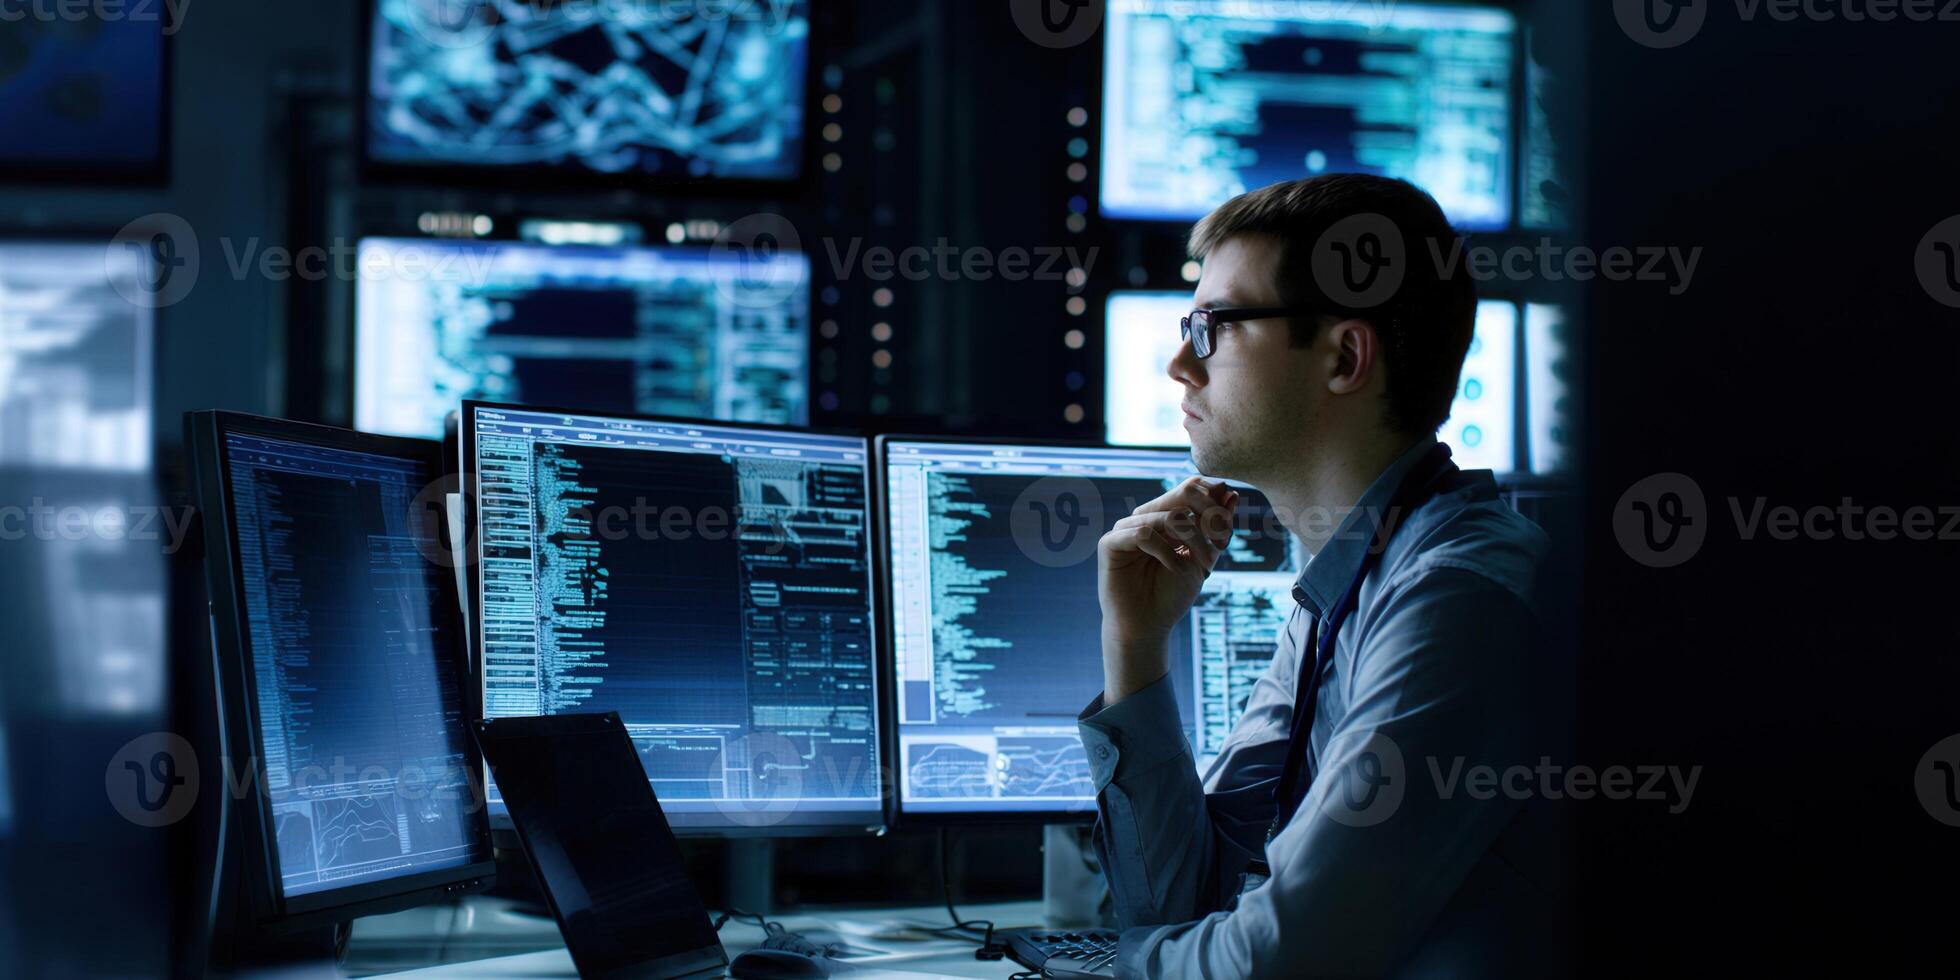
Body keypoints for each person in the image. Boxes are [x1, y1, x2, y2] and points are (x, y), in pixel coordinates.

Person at [1079, 174, 1565, 977]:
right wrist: (1135, 645)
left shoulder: (1461, 599)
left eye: (1210, 327)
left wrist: (1108, 972)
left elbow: (1279, 963)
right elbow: (1182, 905)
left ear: (1344, 356)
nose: (1177, 364)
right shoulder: (1344, 589)